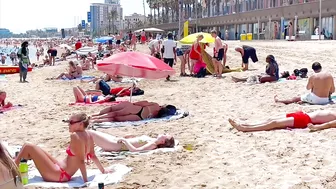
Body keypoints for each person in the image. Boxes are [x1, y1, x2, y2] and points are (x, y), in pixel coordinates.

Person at [14, 113, 111, 183]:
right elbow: (93, 155)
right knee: (36, 148)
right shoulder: (89, 135)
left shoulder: (75, 136)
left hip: (59, 175)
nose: (68, 124)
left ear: (81, 124)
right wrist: (103, 170)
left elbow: (81, 161)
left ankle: (10, 169)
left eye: (71, 122)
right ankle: (15, 166)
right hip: (61, 169)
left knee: (28, 146)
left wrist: (85, 181)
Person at [229, 110, 336, 132]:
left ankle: (244, 128)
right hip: (303, 114)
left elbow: (331, 124)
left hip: (305, 119)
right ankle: (246, 124)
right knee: (271, 119)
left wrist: (318, 127)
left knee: (274, 123)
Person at [88, 130, 175, 152]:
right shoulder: (153, 140)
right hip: (116, 140)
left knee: (89, 133)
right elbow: (138, 142)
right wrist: (130, 138)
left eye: (165, 134)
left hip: (115, 145)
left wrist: (125, 140)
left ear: (163, 141)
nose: (164, 133)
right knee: (91, 132)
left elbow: (135, 150)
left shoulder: (152, 144)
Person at [91, 101, 176, 123]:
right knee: (115, 118)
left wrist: (132, 104)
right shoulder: (158, 116)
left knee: (112, 110)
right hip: (139, 117)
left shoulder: (156, 105)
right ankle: (96, 120)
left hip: (137, 109)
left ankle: (95, 116)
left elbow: (143, 103)